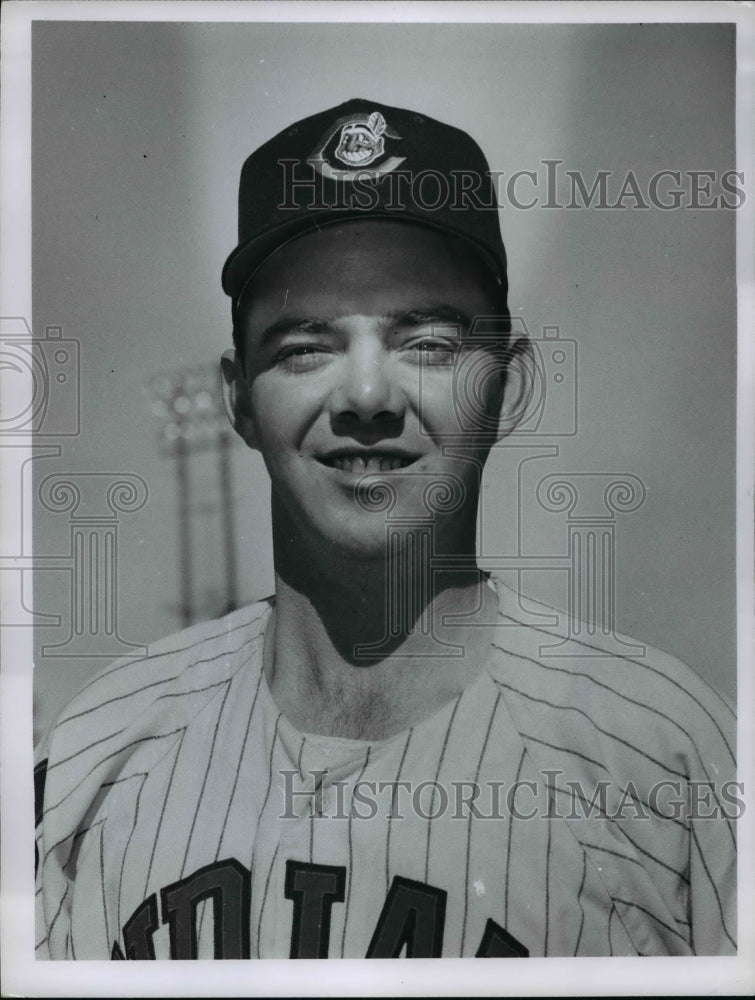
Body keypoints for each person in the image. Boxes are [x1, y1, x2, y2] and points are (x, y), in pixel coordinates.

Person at [34, 99, 737, 959]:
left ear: (507, 390)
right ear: (237, 398)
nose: (366, 399)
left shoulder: (657, 756)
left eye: (428, 344)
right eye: (304, 348)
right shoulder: (105, 745)